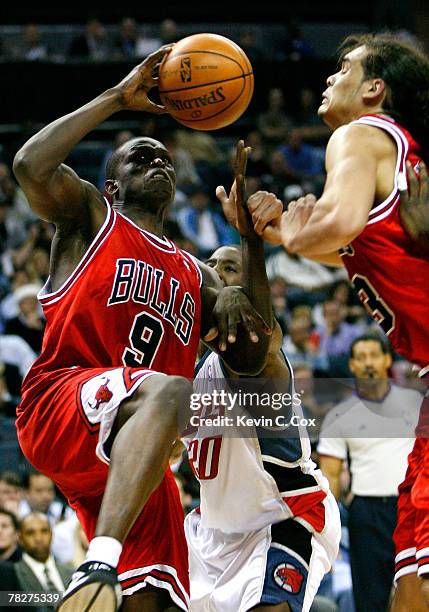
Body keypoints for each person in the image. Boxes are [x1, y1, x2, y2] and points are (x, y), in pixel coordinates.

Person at [12, 46, 273, 612]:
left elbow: (253, 357)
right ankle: (97, 562)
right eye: (138, 159)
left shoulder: (197, 273)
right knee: (169, 389)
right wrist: (116, 98)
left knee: (157, 597)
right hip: (61, 401)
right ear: (111, 186)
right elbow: (30, 166)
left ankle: (105, 578)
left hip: (136, 458)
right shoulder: (90, 219)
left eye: (163, 159)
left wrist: (250, 249)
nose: (156, 161)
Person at [245, 33, 429, 609]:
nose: (329, 78)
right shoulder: (398, 155)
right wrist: (281, 233)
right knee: (411, 571)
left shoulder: (360, 134)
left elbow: (336, 222)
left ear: (375, 88)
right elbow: (346, 243)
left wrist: (300, 232)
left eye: (343, 68)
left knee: (414, 578)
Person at [183, 212, 341, 610]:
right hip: (215, 530)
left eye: (229, 268)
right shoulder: (188, 370)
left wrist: (250, 238)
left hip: (284, 516)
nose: (215, 274)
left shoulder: (255, 356)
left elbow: (261, 338)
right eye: (210, 267)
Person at [317, 334, 421, 612]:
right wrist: (328, 530)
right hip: (367, 514)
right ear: (351, 365)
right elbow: (330, 480)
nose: (368, 364)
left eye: (374, 355)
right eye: (361, 358)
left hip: (412, 508)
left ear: (387, 359)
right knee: (370, 599)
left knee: (417, 593)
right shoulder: (339, 416)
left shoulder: (415, 402)